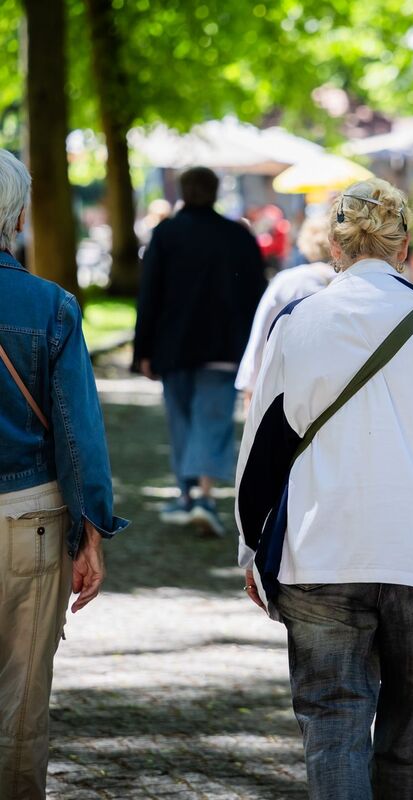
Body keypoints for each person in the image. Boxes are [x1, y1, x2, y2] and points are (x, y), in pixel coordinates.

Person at [235, 178, 413, 799]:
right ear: (404, 245)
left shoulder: (298, 323)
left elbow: (261, 447)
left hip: (319, 553)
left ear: (334, 247)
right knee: (412, 734)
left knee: (332, 725)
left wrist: (251, 544)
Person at [0, 149, 128, 798]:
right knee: (20, 704)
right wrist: (92, 529)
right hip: (28, 518)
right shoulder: (49, 306)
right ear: (18, 217)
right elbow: (78, 434)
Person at [134, 166, 265, 536]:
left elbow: (150, 295)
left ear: (183, 192)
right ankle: (205, 496)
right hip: (224, 345)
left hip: (173, 344)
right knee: (213, 420)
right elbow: (256, 294)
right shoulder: (238, 237)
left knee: (181, 420)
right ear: (214, 191)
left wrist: (142, 349)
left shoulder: (166, 233)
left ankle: (187, 493)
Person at [236, 214, 336, 406]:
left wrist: (251, 387)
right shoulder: (354, 283)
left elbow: (261, 339)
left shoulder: (287, 282)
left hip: (289, 391)